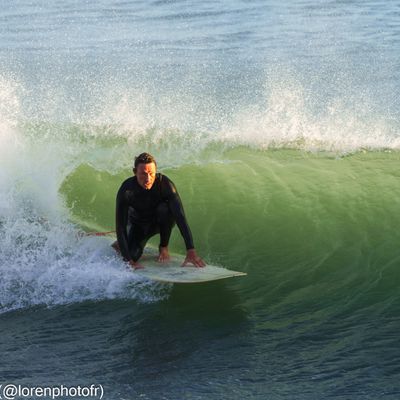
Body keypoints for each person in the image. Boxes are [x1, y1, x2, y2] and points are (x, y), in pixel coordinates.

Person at [113, 152, 206, 270]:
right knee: (131, 256)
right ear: (134, 172)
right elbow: (120, 227)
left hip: (159, 223)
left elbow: (180, 217)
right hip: (139, 226)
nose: (148, 179)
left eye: (151, 173)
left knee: (165, 209)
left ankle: (163, 247)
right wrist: (129, 261)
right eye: (143, 174)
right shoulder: (127, 190)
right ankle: (120, 245)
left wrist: (191, 250)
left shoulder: (165, 184)